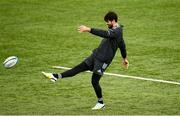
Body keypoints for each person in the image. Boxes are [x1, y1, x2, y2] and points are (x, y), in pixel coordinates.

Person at [42, 11, 129, 110]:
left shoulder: (117, 31)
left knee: (94, 81)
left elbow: (105, 34)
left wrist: (89, 29)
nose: (106, 24)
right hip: (95, 55)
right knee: (78, 68)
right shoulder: (115, 31)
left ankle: (101, 103)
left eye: (108, 22)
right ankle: (55, 76)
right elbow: (122, 45)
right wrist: (124, 58)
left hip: (103, 61)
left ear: (113, 21)